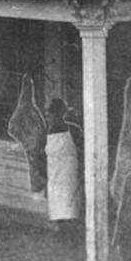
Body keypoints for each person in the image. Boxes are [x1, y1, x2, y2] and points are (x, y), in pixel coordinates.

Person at [44, 98, 84, 250]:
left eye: (54, 114)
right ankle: (63, 235)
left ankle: (73, 239)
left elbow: (82, 151)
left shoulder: (73, 130)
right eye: (49, 115)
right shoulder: (47, 131)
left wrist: (81, 171)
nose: (51, 118)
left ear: (62, 113)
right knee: (57, 208)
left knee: (70, 207)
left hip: (69, 175)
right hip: (54, 174)